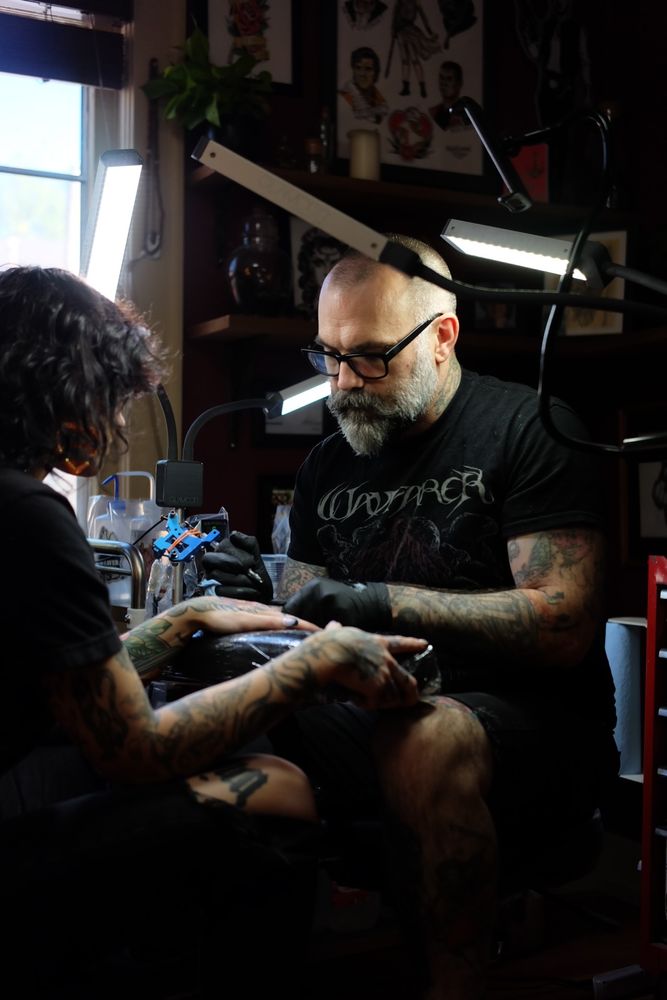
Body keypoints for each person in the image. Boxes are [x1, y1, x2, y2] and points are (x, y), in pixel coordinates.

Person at [204, 235, 620, 998]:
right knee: (219, 720)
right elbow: (301, 620)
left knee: (422, 736)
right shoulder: (328, 464)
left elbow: (562, 623)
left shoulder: (528, 428)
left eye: (368, 357)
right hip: (369, 703)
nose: (341, 383)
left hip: (527, 720)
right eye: (327, 356)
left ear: (442, 335)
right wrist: (254, 608)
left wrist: (377, 602)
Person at [0, 264, 425, 998]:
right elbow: (135, 748)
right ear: (63, 390)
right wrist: (312, 663)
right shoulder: (27, 516)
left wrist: (180, 620)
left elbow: (71, 680)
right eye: (111, 398)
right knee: (278, 787)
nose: (118, 424)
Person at [339, 46, 389, 125]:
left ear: (375, 73)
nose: (362, 73)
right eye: (358, 67)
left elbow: (383, 111)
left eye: (368, 69)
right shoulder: (345, 94)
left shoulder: (375, 94)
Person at [428, 60, 467, 130]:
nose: (444, 83)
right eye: (442, 78)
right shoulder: (433, 112)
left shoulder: (466, 114)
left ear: (459, 83)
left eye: (449, 79)